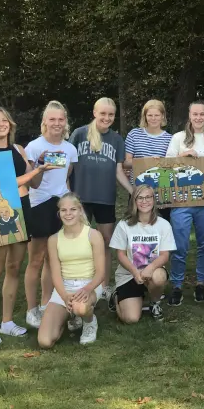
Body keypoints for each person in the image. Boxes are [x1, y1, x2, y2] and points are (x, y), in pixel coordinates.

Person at [0, 107, 55, 345]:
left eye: (5, 121)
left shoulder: (19, 150)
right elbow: (5, 184)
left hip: (23, 208)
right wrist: (34, 174)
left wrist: (40, 168)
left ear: (10, 124)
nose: (2, 124)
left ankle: (8, 321)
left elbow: (34, 184)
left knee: (14, 267)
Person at [70, 97, 134, 300]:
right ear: (94, 113)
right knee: (80, 243)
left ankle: (104, 285)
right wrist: (66, 193)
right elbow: (68, 165)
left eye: (111, 114)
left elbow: (118, 171)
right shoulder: (79, 134)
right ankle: (81, 284)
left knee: (105, 242)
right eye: (103, 113)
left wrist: (133, 191)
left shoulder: (116, 139)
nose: (106, 117)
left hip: (105, 197)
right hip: (80, 198)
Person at [24, 101, 78, 329]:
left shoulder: (70, 149)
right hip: (39, 205)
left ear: (65, 122)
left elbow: (66, 178)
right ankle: (31, 309)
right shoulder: (34, 147)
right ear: (44, 121)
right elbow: (31, 183)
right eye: (52, 119)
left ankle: (47, 303)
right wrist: (39, 165)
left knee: (54, 260)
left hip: (61, 207)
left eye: (61, 119)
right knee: (36, 260)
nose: (56, 123)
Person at [166, 100, 204, 305]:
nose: (198, 117)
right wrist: (183, 155)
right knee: (180, 244)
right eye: (195, 114)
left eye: (202, 114)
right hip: (182, 198)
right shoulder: (178, 138)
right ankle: (177, 286)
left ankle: (201, 283)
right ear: (189, 115)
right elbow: (167, 165)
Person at [37, 193, 105, 347]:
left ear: (80, 211)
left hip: (88, 284)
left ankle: (89, 321)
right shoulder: (53, 239)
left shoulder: (93, 235)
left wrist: (87, 289)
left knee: (80, 307)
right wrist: (65, 296)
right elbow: (55, 274)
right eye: (63, 210)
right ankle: (70, 316)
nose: (68, 214)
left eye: (73, 209)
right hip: (64, 287)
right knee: (45, 341)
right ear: (59, 213)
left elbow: (101, 272)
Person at [109, 185, 175, 322]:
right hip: (129, 274)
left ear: (153, 200)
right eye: (140, 198)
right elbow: (120, 254)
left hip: (152, 273)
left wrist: (150, 268)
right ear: (134, 201)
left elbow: (164, 255)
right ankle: (115, 296)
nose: (144, 201)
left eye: (148, 197)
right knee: (131, 319)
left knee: (159, 277)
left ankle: (155, 303)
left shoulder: (163, 225)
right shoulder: (124, 225)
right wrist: (134, 272)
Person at [123, 99, 174, 221]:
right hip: (138, 188)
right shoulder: (134, 134)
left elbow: (172, 165)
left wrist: (161, 162)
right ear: (145, 116)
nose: (153, 118)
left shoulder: (170, 139)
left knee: (163, 223)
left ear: (162, 116)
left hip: (162, 189)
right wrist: (145, 161)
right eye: (150, 115)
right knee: (135, 223)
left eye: (157, 115)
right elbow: (126, 162)